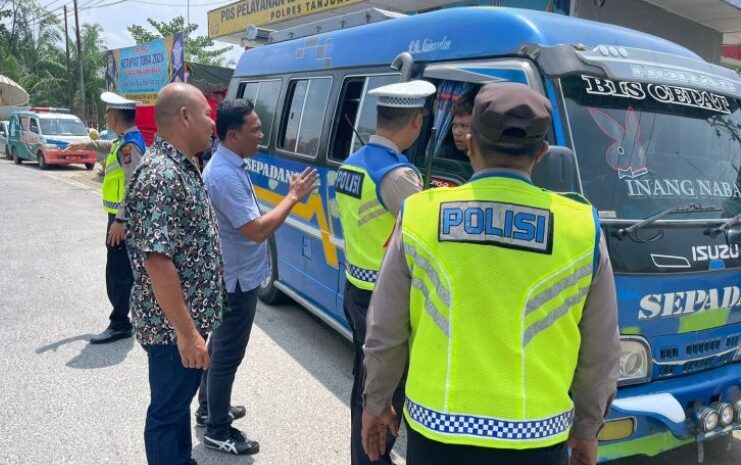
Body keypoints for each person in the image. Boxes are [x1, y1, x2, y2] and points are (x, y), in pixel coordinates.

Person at [360, 83, 621, 465]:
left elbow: (385, 330)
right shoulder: (582, 228)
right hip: (537, 437)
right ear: (542, 153)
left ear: (471, 143)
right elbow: (600, 353)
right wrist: (586, 429)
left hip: (437, 431)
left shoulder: (419, 214)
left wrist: (377, 402)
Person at [195, 99, 319, 455]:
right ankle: (217, 429)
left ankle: (209, 408)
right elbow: (257, 230)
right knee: (227, 355)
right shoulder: (223, 174)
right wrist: (293, 196)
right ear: (233, 135)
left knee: (219, 348)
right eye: (256, 130)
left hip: (235, 274)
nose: (261, 136)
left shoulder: (230, 164)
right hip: (235, 279)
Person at [334, 79, 436, 465]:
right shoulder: (397, 176)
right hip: (388, 300)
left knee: (366, 380)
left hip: (356, 287)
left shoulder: (351, 164)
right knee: (385, 390)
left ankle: (365, 457)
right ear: (416, 123)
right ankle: (372, 458)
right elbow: (426, 236)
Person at [125, 83, 224, 465]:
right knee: (167, 413)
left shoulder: (180, 166)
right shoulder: (161, 175)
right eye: (206, 113)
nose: (211, 120)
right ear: (185, 117)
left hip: (182, 326)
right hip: (173, 331)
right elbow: (157, 260)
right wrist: (187, 334)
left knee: (176, 405)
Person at [66, 92, 146, 344]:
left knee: (118, 270)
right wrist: (84, 145)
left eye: (108, 116)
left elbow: (134, 184)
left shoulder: (129, 146)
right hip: (121, 217)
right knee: (122, 268)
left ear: (113, 119)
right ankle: (125, 317)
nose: (107, 120)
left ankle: (120, 323)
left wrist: (120, 221)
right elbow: (106, 147)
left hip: (123, 219)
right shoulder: (125, 140)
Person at [437, 92, 474, 161]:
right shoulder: (445, 155)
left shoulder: (485, 158)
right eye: (454, 125)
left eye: (464, 126)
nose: (456, 132)